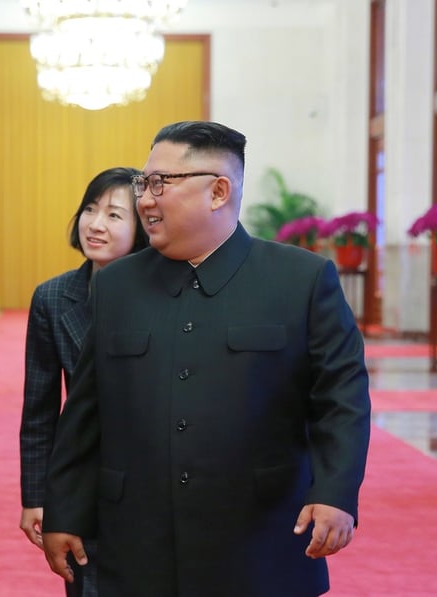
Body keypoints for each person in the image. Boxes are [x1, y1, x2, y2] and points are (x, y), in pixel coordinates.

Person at [41, 121, 371, 597]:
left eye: (160, 183)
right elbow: (87, 410)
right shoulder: (116, 285)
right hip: (139, 538)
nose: (146, 200)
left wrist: (335, 494)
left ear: (218, 192)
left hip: (261, 536)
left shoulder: (300, 279)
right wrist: (65, 510)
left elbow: (342, 400)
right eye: (143, 183)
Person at [19, 166, 148, 597]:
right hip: (86, 481)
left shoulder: (167, 295)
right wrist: (36, 497)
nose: (94, 224)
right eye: (90, 209)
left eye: (114, 215)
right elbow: (39, 411)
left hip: (158, 480)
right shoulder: (54, 298)